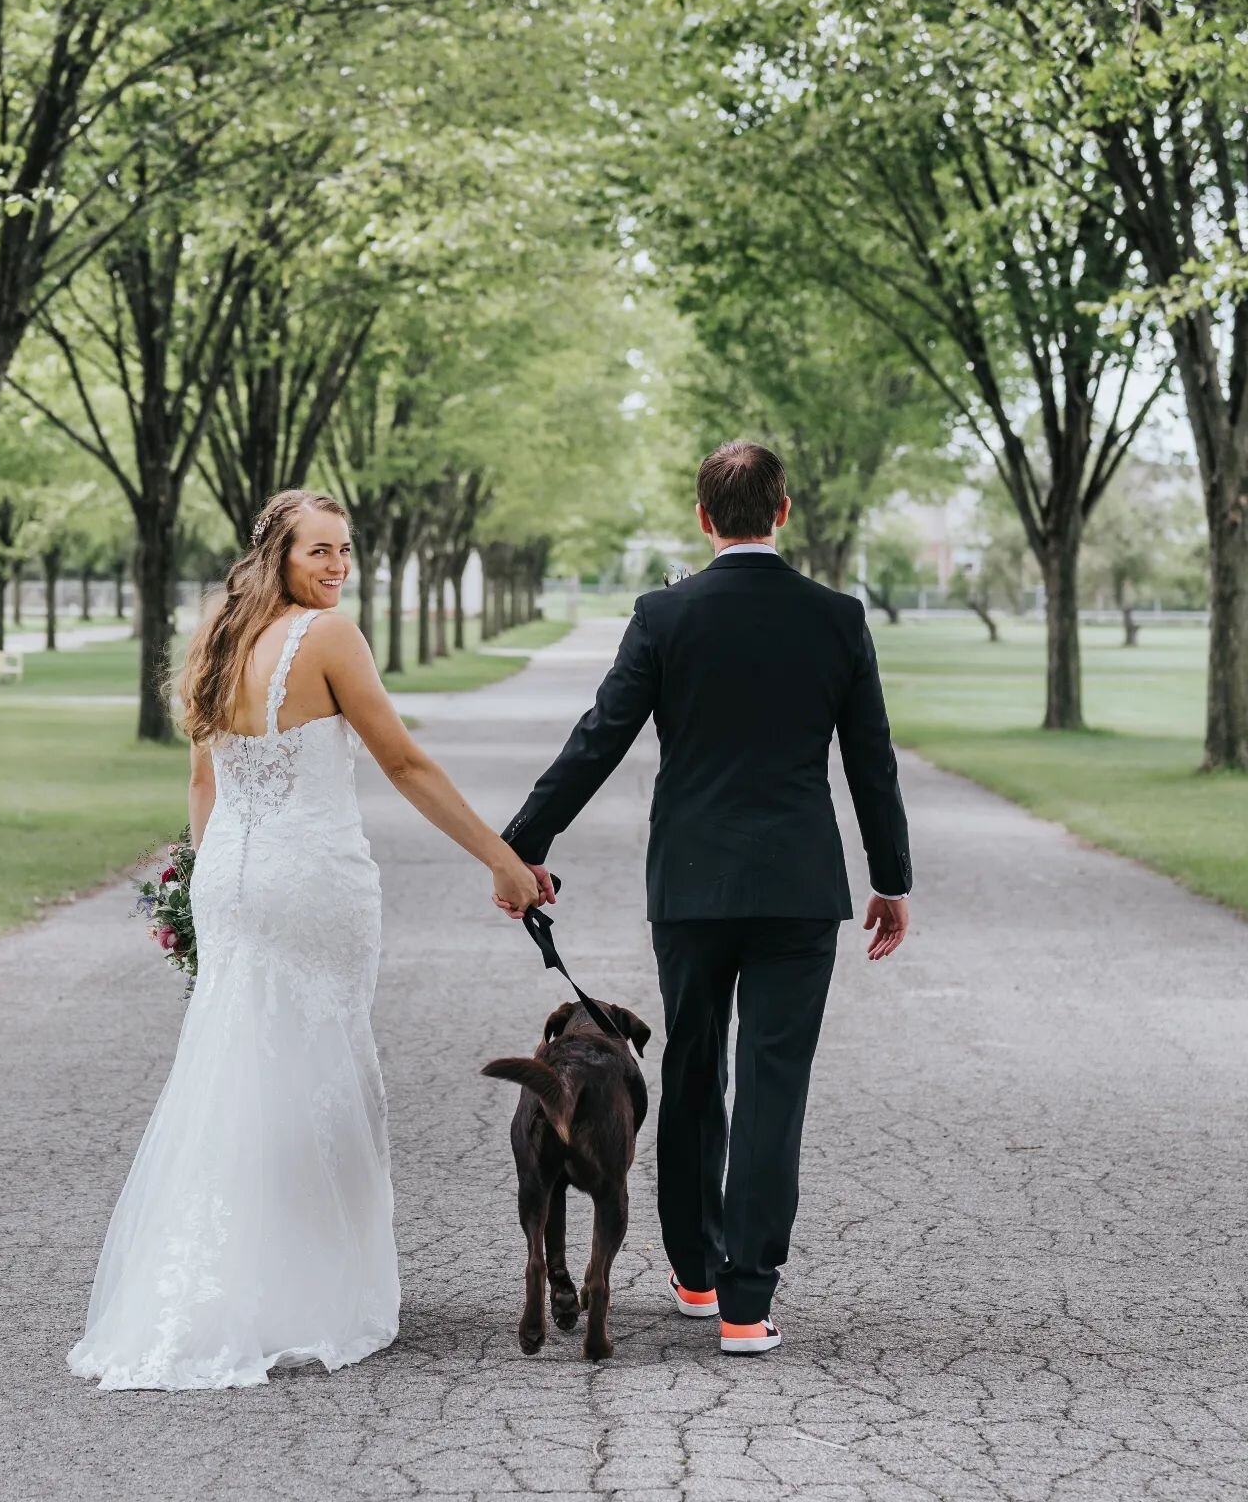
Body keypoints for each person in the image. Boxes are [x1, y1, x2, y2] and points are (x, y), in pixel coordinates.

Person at [68, 489, 544, 1390]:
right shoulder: (329, 639)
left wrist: (216, 889)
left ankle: (226, 1280)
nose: (336, 567)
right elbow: (402, 762)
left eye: (346, 551)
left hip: (235, 881)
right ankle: (307, 1292)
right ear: (278, 555)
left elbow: (205, 785)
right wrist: (502, 859)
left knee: (235, 1067)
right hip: (311, 882)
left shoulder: (218, 633)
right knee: (313, 1069)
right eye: (318, 551)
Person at [499, 441, 911, 1356]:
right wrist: (891, 877)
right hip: (800, 889)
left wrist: (523, 845)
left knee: (689, 1071)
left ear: (702, 516)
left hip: (690, 885)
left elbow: (599, 736)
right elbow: (869, 759)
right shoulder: (838, 618)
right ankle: (744, 1302)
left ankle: (692, 1268)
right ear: (785, 511)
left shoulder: (664, 614)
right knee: (774, 1085)